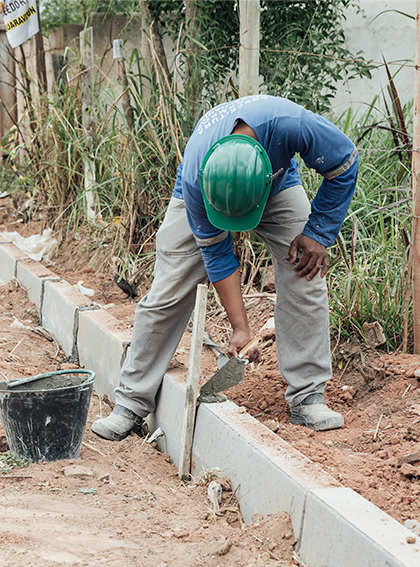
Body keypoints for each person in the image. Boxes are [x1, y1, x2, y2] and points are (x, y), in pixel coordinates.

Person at [91, 95, 358, 440]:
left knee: (305, 272)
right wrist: (240, 328)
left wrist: (319, 232)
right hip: (204, 196)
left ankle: (308, 396)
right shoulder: (197, 183)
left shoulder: (293, 124)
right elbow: (217, 257)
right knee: (169, 288)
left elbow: (345, 163)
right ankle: (130, 402)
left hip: (277, 186)